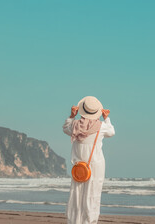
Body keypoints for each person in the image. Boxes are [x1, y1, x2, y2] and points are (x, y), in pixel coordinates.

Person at [63, 96, 115, 224]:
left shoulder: (75, 126)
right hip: (95, 165)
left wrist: (71, 115)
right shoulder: (101, 127)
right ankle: (90, 221)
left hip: (79, 166)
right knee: (92, 194)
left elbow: (65, 127)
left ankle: (75, 221)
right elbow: (112, 132)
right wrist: (106, 118)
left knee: (77, 194)